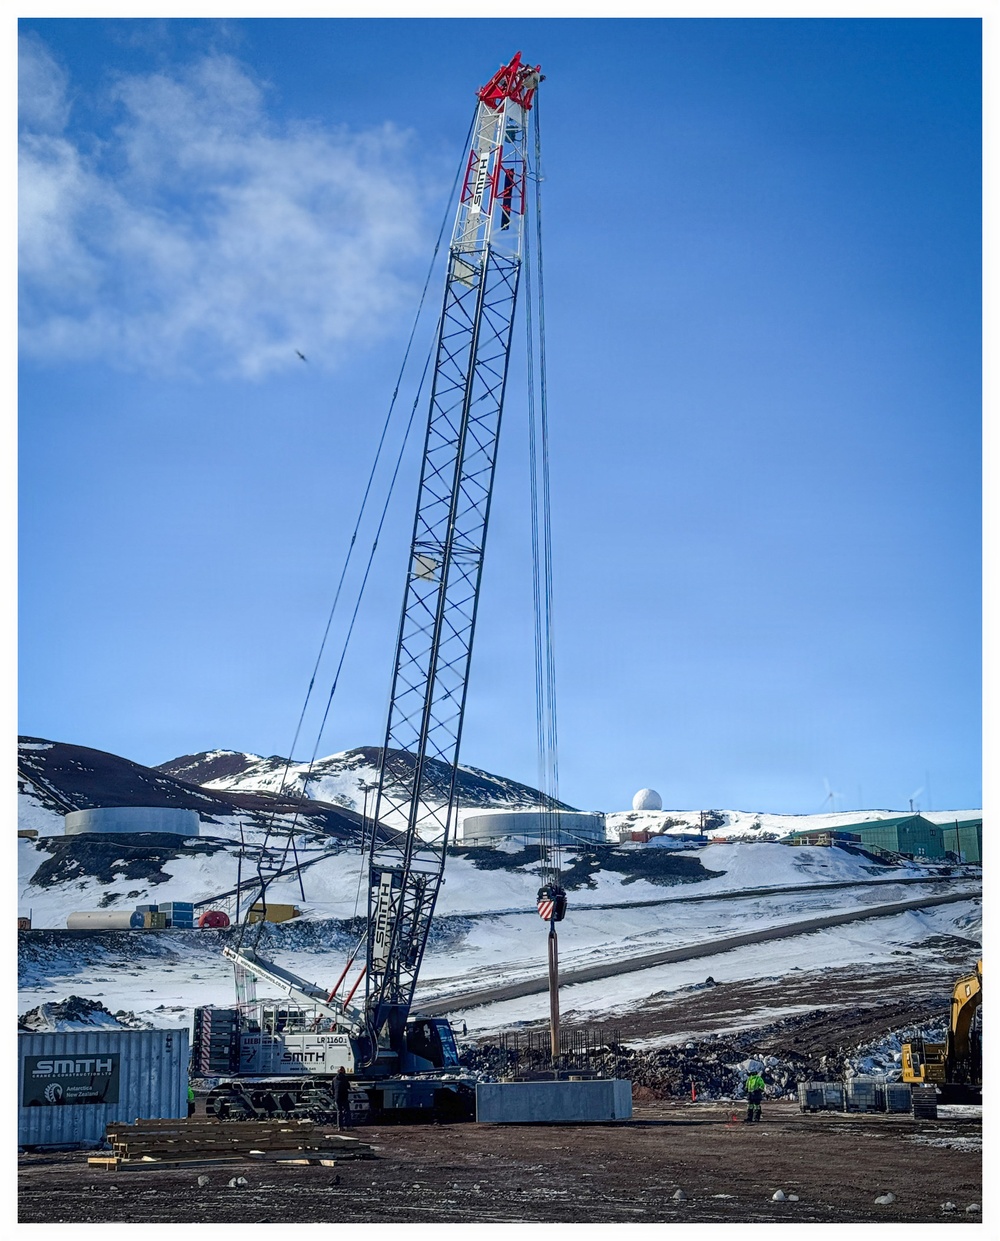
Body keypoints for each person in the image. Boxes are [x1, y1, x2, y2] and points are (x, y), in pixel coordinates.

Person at [335, 1066, 351, 1130]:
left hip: (337, 1097)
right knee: (346, 1111)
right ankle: (347, 1126)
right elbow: (348, 1086)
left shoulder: (334, 1079)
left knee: (339, 1111)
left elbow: (332, 1088)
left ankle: (339, 1126)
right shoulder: (345, 1079)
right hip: (344, 1097)